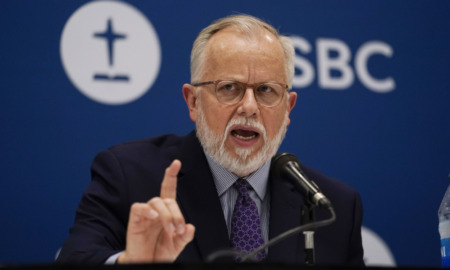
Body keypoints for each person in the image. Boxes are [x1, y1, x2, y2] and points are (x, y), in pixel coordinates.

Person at [56, 14, 364, 265]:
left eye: (266, 90)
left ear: (287, 108)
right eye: (229, 87)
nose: (249, 107)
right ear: (193, 101)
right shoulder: (128, 175)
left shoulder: (332, 205)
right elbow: (74, 259)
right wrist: (130, 264)